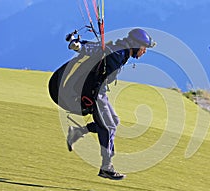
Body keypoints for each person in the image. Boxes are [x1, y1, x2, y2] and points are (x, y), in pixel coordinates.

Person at [66, 28, 156, 180]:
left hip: (100, 93)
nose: (144, 51)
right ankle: (106, 167)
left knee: (114, 121)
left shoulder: (123, 53)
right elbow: (100, 50)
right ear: (135, 45)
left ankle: (77, 132)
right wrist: (79, 47)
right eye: (144, 48)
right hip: (93, 93)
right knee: (108, 127)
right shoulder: (118, 53)